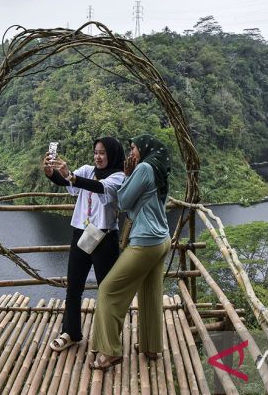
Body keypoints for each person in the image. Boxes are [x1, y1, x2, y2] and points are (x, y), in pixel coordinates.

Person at [89, 134, 172, 370]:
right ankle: (151, 346)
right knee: (150, 291)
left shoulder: (144, 168)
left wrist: (126, 176)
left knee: (108, 290)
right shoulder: (159, 167)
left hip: (145, 241)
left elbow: (123, 201)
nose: (131, 153)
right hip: (162, 239)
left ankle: (109, 352)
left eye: (134, 148)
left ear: (144, 149)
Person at [43, 137, 126, 352]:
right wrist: (52, 173)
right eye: (96, 152)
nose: (97, 157)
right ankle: (70, 332)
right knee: (74, 286)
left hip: (104, 237)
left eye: (102, 153)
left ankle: (106, 337)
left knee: (106, 290)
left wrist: (71, 176)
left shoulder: (119, 177)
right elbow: (68, 182)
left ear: (112, 155)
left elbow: (98, 187)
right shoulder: (88, 170)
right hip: (82, 232)